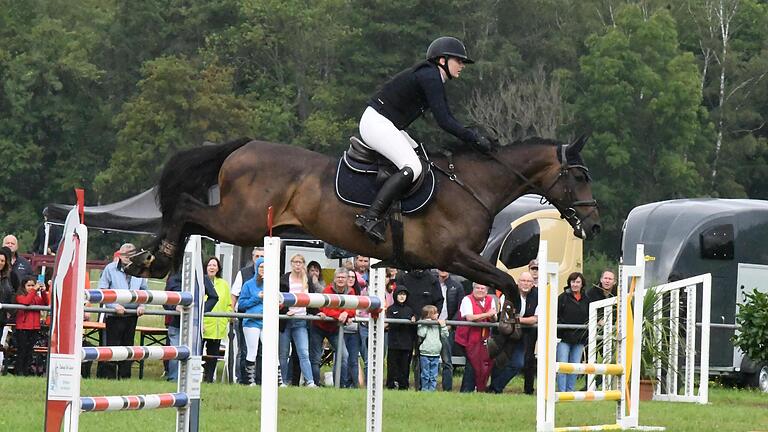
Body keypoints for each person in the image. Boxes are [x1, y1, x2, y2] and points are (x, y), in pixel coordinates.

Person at [354, 36, 491, 242]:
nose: (462, 65)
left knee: (421, 157)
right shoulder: (430, 76)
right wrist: (474, 139)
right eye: (458, 60)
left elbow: (445, 119)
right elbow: (444, 121)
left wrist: (469, 137)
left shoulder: (432, 76)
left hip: (386, 123)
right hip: (376, 123)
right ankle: (370, 217)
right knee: (413, 167)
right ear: (442, 60)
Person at [97, 243, 150, 379]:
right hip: (114, 315)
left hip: (132, 315)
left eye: (131, 255)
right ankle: (109, 377)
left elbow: (144, 289)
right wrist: (114, 306)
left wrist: (142, 305)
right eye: (125, 255)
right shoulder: (110, 269)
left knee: (128, 346)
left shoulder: (140, 270)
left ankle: (125, 377)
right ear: (119, 255)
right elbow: (102, 290)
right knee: (113, 346)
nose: (127, 258)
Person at [163, 270, 218, 382]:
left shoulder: (202, 278)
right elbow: (165, 300)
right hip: (177, 323)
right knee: (176, 354)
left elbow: (214, 297)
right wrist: (174, 307)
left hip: (194, 324)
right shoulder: (174, 278)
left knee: (192, 354)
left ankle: (190, 381)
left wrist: (200, 310)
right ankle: (174, 379)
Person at [489, 271, 538, 394]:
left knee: (518, 363)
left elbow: (535, 319)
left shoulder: (538, 296)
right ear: (518, 282)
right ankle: (494, 390)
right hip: (504, 333)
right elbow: (506, 315)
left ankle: (495, 387)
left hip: (523, 335)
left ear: (533, 284)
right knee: (499, 361)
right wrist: (521, 320)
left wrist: (516, 320)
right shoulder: (509, 293)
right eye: (523, 281)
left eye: (528, 281)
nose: (525, 284)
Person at [309, 268, 355, 386]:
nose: (340, 279)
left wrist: (346, 313)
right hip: (319, 327)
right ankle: (315, 384)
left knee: (344, 355)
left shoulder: (351, 291)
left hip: (335, 329)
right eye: (338, 277)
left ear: (347, 279)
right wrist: (340, 314)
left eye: (343, 277)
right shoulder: (328, 290)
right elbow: (325, 308)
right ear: (334, 279)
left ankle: (340, 385)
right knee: (315, 358)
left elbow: (353, 307)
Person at [399, 268, 443, 390]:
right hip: (409, 324)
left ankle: (424, 387)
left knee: (425, 359)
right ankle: (403, 385)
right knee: (405, 356)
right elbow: (400, 297)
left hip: (428, 325)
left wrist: (434, 315)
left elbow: (439, 300)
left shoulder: (432, 279)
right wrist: (408, 315)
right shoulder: (404, 278)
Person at [278, 254, 316, 387]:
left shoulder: (308, 280)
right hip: (285, 320)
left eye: (300, 262)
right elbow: (278, 299)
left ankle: (310, 381)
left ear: (303, 264)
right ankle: (282, 381)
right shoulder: (284, 279)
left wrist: (317, 313)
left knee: (303, 352)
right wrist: (285, 311)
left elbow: (313, 300)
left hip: (301, 320)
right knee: (283, 354)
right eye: (295, 262)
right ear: (291, 263)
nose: (297, 265)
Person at [230, 247, 263, 385]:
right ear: (253, 257)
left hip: (264, 320)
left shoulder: (271, 278)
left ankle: (261, 378)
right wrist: (232, 312)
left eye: (262, 256)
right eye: (257, 256)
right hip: (246, 318)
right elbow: (235, 295)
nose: (259, 259)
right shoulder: (243, 274)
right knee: (244, 350)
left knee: (264, 350)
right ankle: (242, 378)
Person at [456, 283, 497, 392]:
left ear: (487, 291)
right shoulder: (467, 299)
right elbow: (470, 317)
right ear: (473, 289)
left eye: (482, 288)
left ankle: (479, 389)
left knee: (483, 365)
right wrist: (488, 314)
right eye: (477, 288)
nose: (480, 290)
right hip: (467, 338)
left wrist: (492, 316)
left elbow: (494, 318)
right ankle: (466, 390)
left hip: (483, 339)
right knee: (472, 364)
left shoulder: (490, 300)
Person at [556, 272, 591, 392]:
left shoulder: (587, 299)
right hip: (564, 338)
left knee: (575, 366)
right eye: (573, 282)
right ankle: (562, 391)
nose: (575, 284)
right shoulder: (562, 298)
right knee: (563, 365)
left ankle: (570, 391)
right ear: (569, 283)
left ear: (582, 284)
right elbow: (556, 315)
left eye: (577, 282)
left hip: (580, 339)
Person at [202, 256, 232, 383]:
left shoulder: (224, 284)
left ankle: (209, 379)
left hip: (219, 325)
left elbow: (228, 304)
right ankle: (196, 377)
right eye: (209, 265)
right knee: (198, 353)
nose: (212, 267)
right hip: (204, 324)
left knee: (213, 354)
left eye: (214, 265)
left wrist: (228, 317)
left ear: (218, 268)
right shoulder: (201, 281)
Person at [238, 257, 266, 386]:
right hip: (251, 322)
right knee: (252, 350)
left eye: (265, 267)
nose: (263, 270)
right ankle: (250, 380)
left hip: (266, 321)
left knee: (270, 350)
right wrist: (257, 297)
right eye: (261, 267)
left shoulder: (271, 283)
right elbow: (242, 304)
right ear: (256, 268)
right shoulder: (248, 284)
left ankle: (278, 380)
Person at [14, 276, 49, 376]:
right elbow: (26, 302)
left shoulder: (36, 297)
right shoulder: (19, 296)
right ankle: (19, 371)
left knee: (29, 351)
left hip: (34, 328)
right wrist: (34, 290)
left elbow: (46, 303)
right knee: (22, 350)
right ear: (23, 286)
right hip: (23, 328)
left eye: (33, 285)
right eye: (28, 285)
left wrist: (43, 292)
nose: (31, 287)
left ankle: (26, 371)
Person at [436, 269, 464, 391]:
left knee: (447, 360)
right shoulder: (432, 284)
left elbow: (460, 308)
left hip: (448, 327)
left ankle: (447, 389)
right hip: (431, 326)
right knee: (426, 358)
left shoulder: (457, 286)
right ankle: (425, 387)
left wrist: (451, 324)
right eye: (440, 268)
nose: (443, 270)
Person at [385, 285, 416, 389]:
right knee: (392, 366)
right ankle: (391, 385)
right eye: (400, 294)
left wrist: (412, 319)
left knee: (404, 367)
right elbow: (392, 323)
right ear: (395, 295)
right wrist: (405, 319)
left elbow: (413, 326)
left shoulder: (410, 310)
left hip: (406, 343)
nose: (402, 297)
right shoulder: (391, 309)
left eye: (404, 294)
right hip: (393, 343)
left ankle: (404, 386)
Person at [417, 305, 448, 392]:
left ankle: (432, 389)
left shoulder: (438, 325)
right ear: (429, 315)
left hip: (436, 353)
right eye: (435, 313)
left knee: (434, 374)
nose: (437, 314)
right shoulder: (422, 324)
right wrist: (426, 324)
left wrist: (443, 326)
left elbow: (445, 335)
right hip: (425, 353)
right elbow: (421, 334)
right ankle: (425, 389)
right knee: (425, 373)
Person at [341, 269, 362, 388]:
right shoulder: (339, 291)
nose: (350, 279)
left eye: (353, 277)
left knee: (353, 360)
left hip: (354, 331)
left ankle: (354, 385)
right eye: (348, 276)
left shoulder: (358, 294)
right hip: (341, 331)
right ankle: (341, 384)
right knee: (342, 359)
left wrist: (349, 314)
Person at [0, 247, 19, 328]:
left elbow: (15, 294)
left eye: (2, 261)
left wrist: (10, 311)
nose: (0, 263)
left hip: (1, 319)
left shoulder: (11, 276)